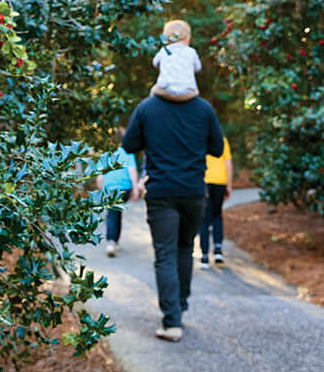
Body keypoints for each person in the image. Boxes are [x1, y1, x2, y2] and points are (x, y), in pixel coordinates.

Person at [123, 37, 224, 342]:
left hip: (162, 191)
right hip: (194, 191)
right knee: (184, 249)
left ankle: (172, 322)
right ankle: (180, 304)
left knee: (165, 253)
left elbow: (129, 144)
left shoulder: (147, 108)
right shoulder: (204, 110)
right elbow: (217, 149)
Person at [94, 135, 139, 257]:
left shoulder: (105, 155)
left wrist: (101, 191)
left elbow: (100, 176)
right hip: (124, 188)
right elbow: (132, 170)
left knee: (112, 212)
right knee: (116, 212)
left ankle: (111, 241)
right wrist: (135, 188)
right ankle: (114, 241)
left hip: (109, 188)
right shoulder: (127, 152)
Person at [199, 135, 233, 267]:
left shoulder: (200, 138)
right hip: (220, 181)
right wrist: (229, 185)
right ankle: (218, 250)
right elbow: (228, 163)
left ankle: (205, 256)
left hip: (205, 181)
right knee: (217, 214)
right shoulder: (222, 140)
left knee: (204, 218)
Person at [151, 19, 201, 102]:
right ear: (187, 37)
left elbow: (155, 63)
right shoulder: (191, 51)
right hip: (188, 93)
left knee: (153, 90)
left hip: (165, 91)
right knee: (196, 91)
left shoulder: (164, 50)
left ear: (167, 39)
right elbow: (198, 68)